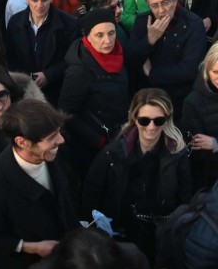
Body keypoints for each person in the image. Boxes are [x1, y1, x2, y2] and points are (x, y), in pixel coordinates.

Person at [0, 99, 77, 269]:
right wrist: (30, 247)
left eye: (59, 132)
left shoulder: (53, 154)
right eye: (51, 137)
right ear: (22, 142)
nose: (61, 140)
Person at [82, 88, 192, 260]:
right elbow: (91, 194)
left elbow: (185, 196)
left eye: (158, 120)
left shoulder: (177, 154)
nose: (151, 127)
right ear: (134, 118)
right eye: (144, 120)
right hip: (120, 235)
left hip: (159, 235)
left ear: (167, 120)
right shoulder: (112, 153)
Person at [57, 8, 129, 169]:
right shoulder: (79, 71)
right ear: (87, 36)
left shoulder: (118, 55)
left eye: (111, 33)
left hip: (118, 138)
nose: (107, 40)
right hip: (92, 150)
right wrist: (97, 140)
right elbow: (65, 113)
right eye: (99, 35)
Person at [125, 0, 206, 118]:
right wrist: (149, 40)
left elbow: (189, 69)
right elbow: (130, 60)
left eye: (165, 3)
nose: (161, 10)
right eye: (154, 6)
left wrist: (152, 73)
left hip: (179, 99)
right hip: (147, 97)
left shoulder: (194, 24)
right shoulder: (143, 21)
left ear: (175, 0)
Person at [5, 0, 80, 104]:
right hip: (24, 93)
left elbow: (73, 59)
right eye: (35, 0)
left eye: (44, 0)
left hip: (57, 93)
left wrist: (49, 75)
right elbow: (10, 57)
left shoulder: (69, 24)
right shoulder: (15, 22)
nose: (40, 5)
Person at [181, 41, 218, 189]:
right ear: (207, 70)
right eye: (215, 72)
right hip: (209, 179)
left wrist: (215, 144)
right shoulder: (193, 102)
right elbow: (195, 150)